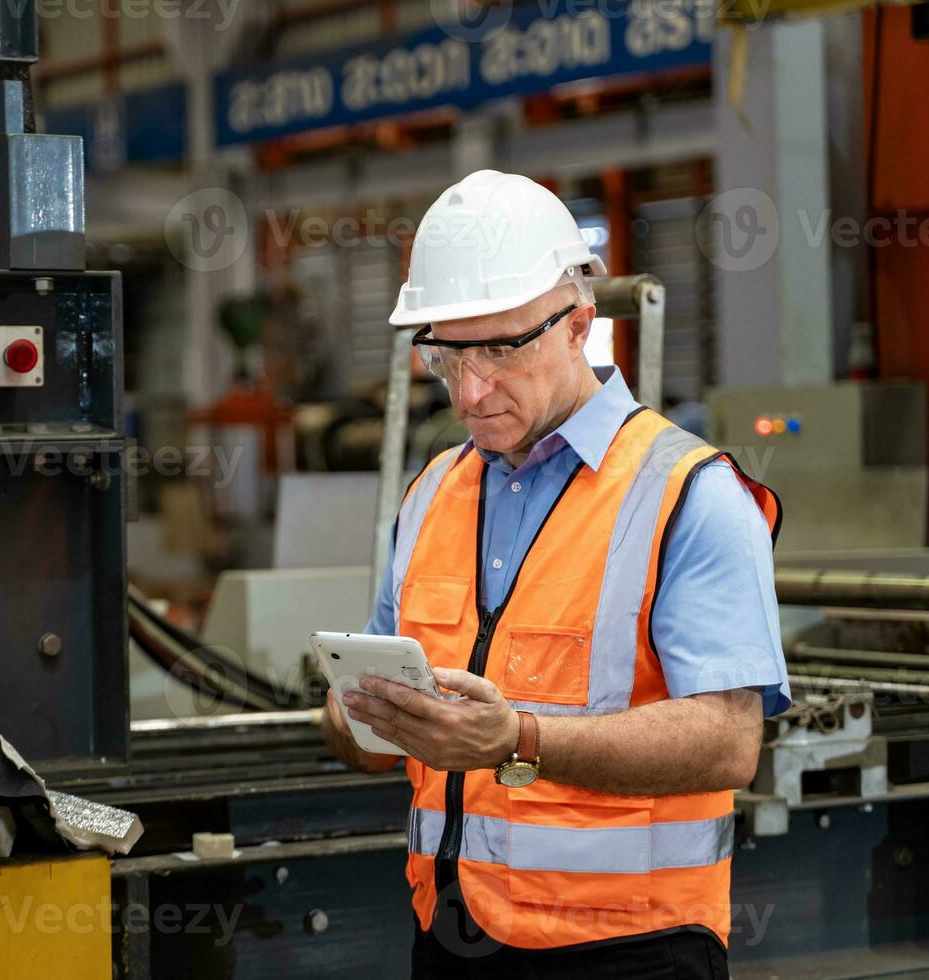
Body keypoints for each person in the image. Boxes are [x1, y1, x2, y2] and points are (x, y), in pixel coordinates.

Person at [322, 170, 788, 979]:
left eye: (503, 350)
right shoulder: (433, 493)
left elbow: (727, 743)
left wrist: (519, 740)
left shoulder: (690, 491)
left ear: (579, 324)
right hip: (452, 935)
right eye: (445, 355)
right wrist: (355, 715)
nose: (471, 391)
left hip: (632, 948)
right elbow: (371, 742)